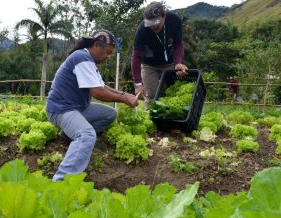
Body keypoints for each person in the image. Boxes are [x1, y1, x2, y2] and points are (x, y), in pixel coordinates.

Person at [45, 29, 139, 181]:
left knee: (110, 114)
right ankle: (61, 182)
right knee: (87, 134)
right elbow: (97, 92)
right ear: (96, 45)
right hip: (61, 109)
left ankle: (69, 135)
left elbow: (102, 86)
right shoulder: (81, 57)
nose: (108, 57)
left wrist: (125, 95)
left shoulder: (88, 60)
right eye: (107, 52)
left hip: (78, 108)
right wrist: (124, 98)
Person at [131, 1, 188, 108]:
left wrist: (178, 63)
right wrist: (138, 83)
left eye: (156, 23)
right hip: (149, 65)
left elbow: (178, 45)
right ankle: (152, 121)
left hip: (170, 63)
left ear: (164, 16)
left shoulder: (174, 20)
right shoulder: (142, 29)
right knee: (152, 95)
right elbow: (136, 56)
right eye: (150, 23)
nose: (153, 26)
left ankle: (172, 122)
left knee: (173, 93)